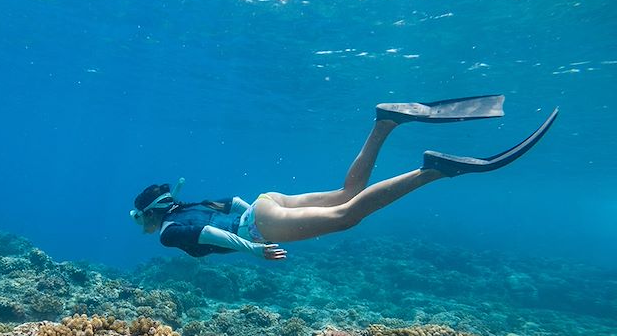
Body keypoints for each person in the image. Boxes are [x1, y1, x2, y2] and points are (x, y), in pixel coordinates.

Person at [130, 95, 558, 261]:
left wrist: (255, 247)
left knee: (348, 215)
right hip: (264, 203)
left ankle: (433, 170)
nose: (141, 226)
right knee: (346, 191)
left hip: (263, 225)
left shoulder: (169, 230)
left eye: (138, 218)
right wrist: (251, 220)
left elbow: (209, 232)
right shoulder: (183, 207)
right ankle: (385, 123)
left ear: (150, 214)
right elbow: (231, 203)